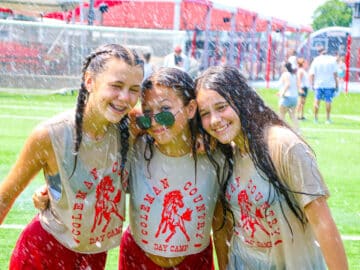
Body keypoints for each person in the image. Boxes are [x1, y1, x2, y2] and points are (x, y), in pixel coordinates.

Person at [0, 43, 144, 269]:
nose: (125, 98)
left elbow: (177, 120)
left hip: (93, 256)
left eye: (134, 89)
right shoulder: (49, 135)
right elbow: (4, 197)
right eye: (116, 85)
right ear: (89, 81)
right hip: (43, 252)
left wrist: (202, 139)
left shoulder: (133, 126)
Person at [195, 65, 348, 270]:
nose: (214, 120)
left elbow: (323, 224)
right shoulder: (227, 153)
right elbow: (225, 226)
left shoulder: (283, 146)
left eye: (222, 107)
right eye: (205, 113)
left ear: (242, 100)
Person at [119, 67, 224, 270]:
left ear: (191, 109)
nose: (155, 120)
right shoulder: (136, 146)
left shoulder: (215, 155)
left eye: (165, 110)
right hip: (138, 258)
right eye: (148, 112)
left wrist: (205, 134)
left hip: (195, 261)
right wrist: (52, 189)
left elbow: (222, 224)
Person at [309, 46, 338, 124]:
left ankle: (315, 118)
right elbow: (335, 73)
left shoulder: (316, 60)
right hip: (329, 84)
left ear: (319, 52)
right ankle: (327, 119)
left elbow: (312, 73)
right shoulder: (332, 60)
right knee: (328, 101)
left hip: (318, 84)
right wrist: (336, 84)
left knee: (316, 101)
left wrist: (312, 83)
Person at [278, 62, 299, 132]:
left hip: (287, 98)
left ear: (285, 67)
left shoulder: (285, 74)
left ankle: (282, 130)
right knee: (293, 116)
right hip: (294, 98)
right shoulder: (293, 75)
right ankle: (297, 131)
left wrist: (282, 94)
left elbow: (287, 84)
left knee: (281, 116)